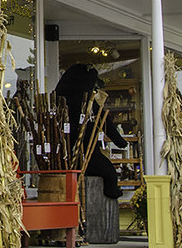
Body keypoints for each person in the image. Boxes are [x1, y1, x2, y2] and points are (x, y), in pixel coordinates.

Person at [54, 64, 127, 199]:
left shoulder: (59, 100)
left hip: (66, 154)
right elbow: (104, 122)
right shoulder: (85, 100)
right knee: (109, 173)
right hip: (86, 151)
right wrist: (120, 141)